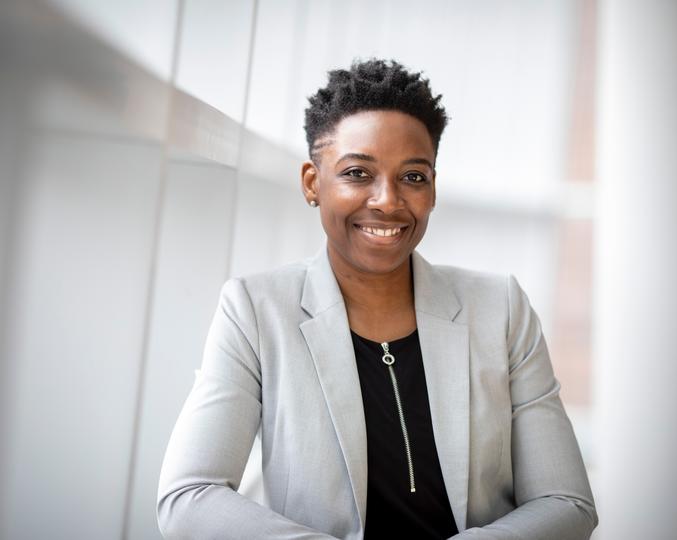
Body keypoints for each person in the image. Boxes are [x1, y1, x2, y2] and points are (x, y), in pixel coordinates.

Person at [156, 58, 599, 540]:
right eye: (357, 173)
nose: (388, 200)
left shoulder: (501, 309)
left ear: (432, 189)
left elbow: (566, 501)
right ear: (312, 182)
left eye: (413, 176)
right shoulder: (255, 310)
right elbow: (189, 496)